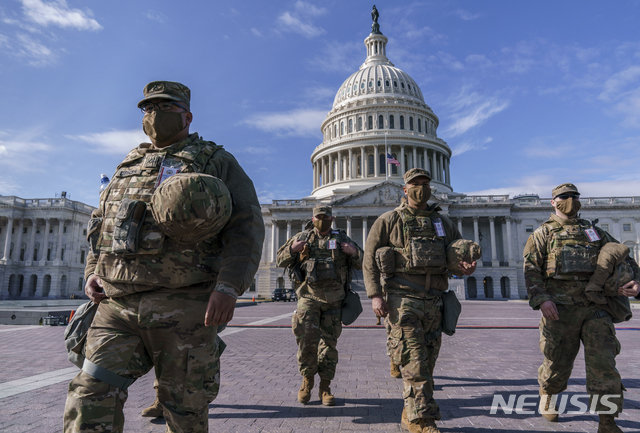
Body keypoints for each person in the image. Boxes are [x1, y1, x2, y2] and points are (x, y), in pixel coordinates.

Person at [63, 81, 264, 433]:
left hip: (185, 305)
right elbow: (102, 222)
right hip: (118, 304)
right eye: (147, 108)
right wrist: (92, 271)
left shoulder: (216, 161)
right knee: (89, 394)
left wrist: (229, 286)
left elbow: (245, 227)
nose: (153, 115)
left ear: (186, 115)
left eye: (164, 107)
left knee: (184, 409)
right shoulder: (129, 163)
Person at [363, 168, 476, 433]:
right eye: (415, 184)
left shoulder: (443, 222)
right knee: (415, 361)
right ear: (405, 189)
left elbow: (455, 255)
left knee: (427, 361)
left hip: (434, 300)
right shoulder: (389, 220)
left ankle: (409, 410)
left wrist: (464, 267)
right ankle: (422, 420)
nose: (421, 188)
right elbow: (369, 260)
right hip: (403, 299)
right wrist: (375, 295)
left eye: (426, 183)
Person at [523, 183, 640, 433]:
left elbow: (624, 257)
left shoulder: (594, 232)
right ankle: (549, 392)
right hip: (560, 310)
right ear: (553, 202)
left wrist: (635, 282)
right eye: (564, 197)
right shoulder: (543, 234)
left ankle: (607, 422)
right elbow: (531, 270)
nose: (571, 200)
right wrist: (542, 299)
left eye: (575, 196)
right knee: (557, 363)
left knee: (604, 365)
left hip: (595, 308)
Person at [276, 205, 363, 406]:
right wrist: (292, 249)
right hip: (309, 296)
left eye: (326, 216)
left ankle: (325, 387)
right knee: (306, 341)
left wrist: (354, 253)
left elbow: (362, 263)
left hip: (335, 299)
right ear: (313, 219)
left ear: (331, 218)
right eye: (319, 217)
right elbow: (280, 259)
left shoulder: (342, 239)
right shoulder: (303, 237)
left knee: (329, 345)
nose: (322, 219)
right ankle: (307, 381)